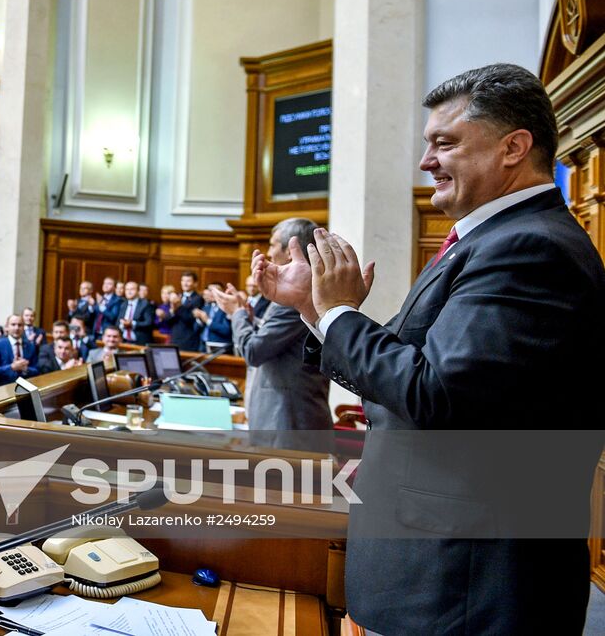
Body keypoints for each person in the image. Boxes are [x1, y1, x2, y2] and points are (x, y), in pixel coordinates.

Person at [257, 63, 605, 635]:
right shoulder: (485, 241)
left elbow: (434, 392)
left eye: (444, 144)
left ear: (513, 147)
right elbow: (405, 373)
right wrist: (316, 310)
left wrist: (341, 311)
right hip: (438, 571)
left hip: (466, 586)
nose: (425, 162)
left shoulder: (530, 248)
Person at [214, 218, 329, 433]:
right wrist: (250, 319)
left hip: (288, 420)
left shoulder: (297, 297)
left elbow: (254, 351)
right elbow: (283, 339)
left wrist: (236, 314)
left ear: (289, 250)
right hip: (285, 417)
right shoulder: (298, 292)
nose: (268, 252)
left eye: (273, 244)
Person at [0, 314, 37, 386]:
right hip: (2, 387)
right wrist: (12, 367)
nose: (17, 328)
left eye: (20, 325)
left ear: (23, 327)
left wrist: (26, 369)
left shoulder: (30, 346)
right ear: (7, 327)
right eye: (13, 325)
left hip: (25, 388)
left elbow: (36, 370)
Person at [166, 272, 205, 351]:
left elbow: (190, 319)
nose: (185, 284)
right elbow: (168, 321)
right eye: (183, 281)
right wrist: (172, 311)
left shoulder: (198, 299)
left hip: (188, 340)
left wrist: (179, 305)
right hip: (175, 338)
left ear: (195, 283)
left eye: (188, 281)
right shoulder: (178, 296)